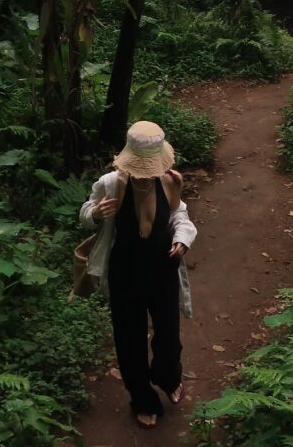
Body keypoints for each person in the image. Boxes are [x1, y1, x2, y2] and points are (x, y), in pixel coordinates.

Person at [79, 120, 197, 429]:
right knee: (129, 339)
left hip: (163, 268)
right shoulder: (110, 183)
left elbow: (179, 216)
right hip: (126, 271)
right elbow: (86, 212)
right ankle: (142, 398)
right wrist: (95, 214)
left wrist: (182, 239)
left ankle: (167, 375)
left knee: (169, 334)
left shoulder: (171, 180)